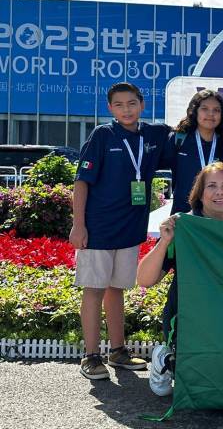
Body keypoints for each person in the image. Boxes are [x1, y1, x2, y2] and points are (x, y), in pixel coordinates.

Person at [70, 82, 173, 380]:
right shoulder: (102, 135)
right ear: (110, 108)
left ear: (142, 105)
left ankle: (118, 351)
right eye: (119, 104)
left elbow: (186, 134)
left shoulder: (153, 135)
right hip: (98, 228)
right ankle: (90, 356)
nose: (126, 109)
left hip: (130, 229)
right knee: (94, 290)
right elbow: (81, 182)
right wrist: (79, 224)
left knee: (117, 290)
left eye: (132, 103)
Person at [137, 162, 223, 396]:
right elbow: (145, 280)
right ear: (200, 194)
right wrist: (166, 241)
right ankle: (166, 360)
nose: (220, 192)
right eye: (212, 186)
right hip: (190, 318)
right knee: (199, 389)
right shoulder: (184, 227)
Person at [169, 89, 223, 214]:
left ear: (222, 114)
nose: (211, 114)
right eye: (204, 109)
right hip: (183, 216)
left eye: (216, 110)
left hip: (217, 217)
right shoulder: (179, 139)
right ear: (194, 111)